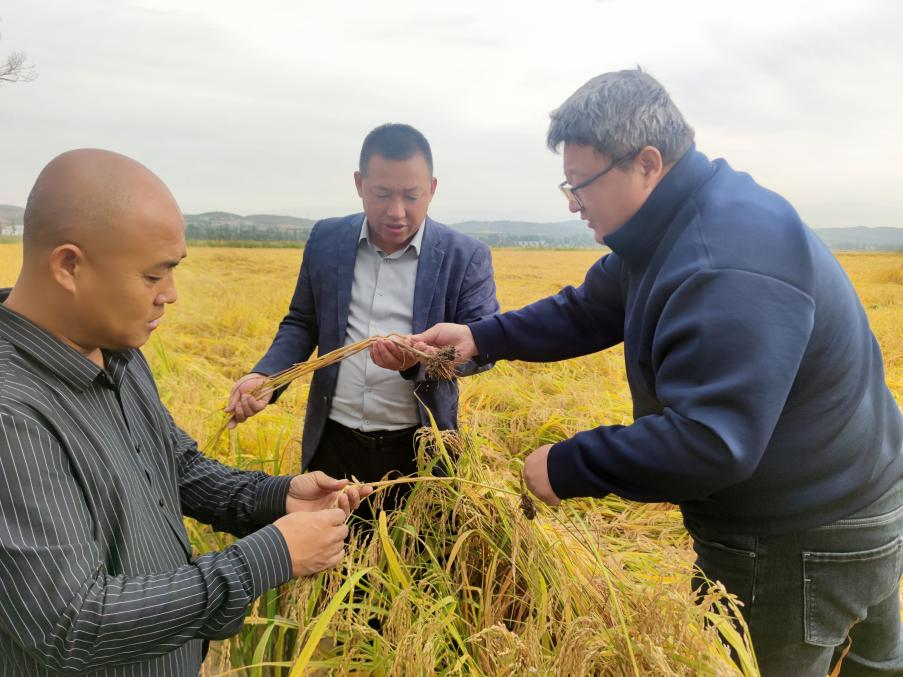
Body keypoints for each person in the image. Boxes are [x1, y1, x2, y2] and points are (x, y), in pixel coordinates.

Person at [412, 70, 903, 676]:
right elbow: (590, 309)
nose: (573, 204)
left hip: (798, 539)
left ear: (646, 163)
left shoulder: (722, 259)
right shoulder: (672, 222)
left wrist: (567, 465)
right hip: (853, 496)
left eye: (580, 185)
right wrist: (483, 337)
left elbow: (710, 441)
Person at [0, 148, 371, 676]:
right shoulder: (12, 414)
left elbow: (177, 467)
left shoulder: (117, 352)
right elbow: (71, 623)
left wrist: (278, 496)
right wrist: (271, 556)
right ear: (69, 266)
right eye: (153, 277)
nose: (170, 296)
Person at [227, 123, 498, 521]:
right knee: (328, 551)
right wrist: (266, 377)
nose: (396, 212)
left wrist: (419, 361)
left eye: (411, 196)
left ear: (432, 189)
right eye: (382, 194)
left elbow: (483, 350)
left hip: (419, 451)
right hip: (333, 443)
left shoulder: (465, 255)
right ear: (359, 184)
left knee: (414, 554)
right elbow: (302, 322)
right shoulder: (327, 239)